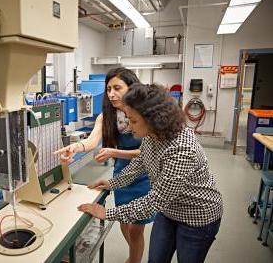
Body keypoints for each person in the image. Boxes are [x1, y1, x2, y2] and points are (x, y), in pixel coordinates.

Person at [77, 83, 223, 263]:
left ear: (154, 119)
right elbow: (140, 162)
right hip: (168, 211)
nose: (130, 126)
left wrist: (107, 213)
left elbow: (154, 201)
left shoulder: (182, 149)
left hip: (197, 217)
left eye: (134, 121)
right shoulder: (152, 135)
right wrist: (112, 183)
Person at [55, 68, 153, 263]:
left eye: (117, 88)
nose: (111, 94)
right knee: (124, 223)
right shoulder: (106, 116)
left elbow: (148, 152)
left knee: (136, 228)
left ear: (131, 88)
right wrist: (75, 147)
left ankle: (134, 260)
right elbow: (92, 142)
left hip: (144, 173)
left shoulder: (143, 113)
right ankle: (134, 255)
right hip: (121, 173)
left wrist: (114, 152)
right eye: (108, 89)